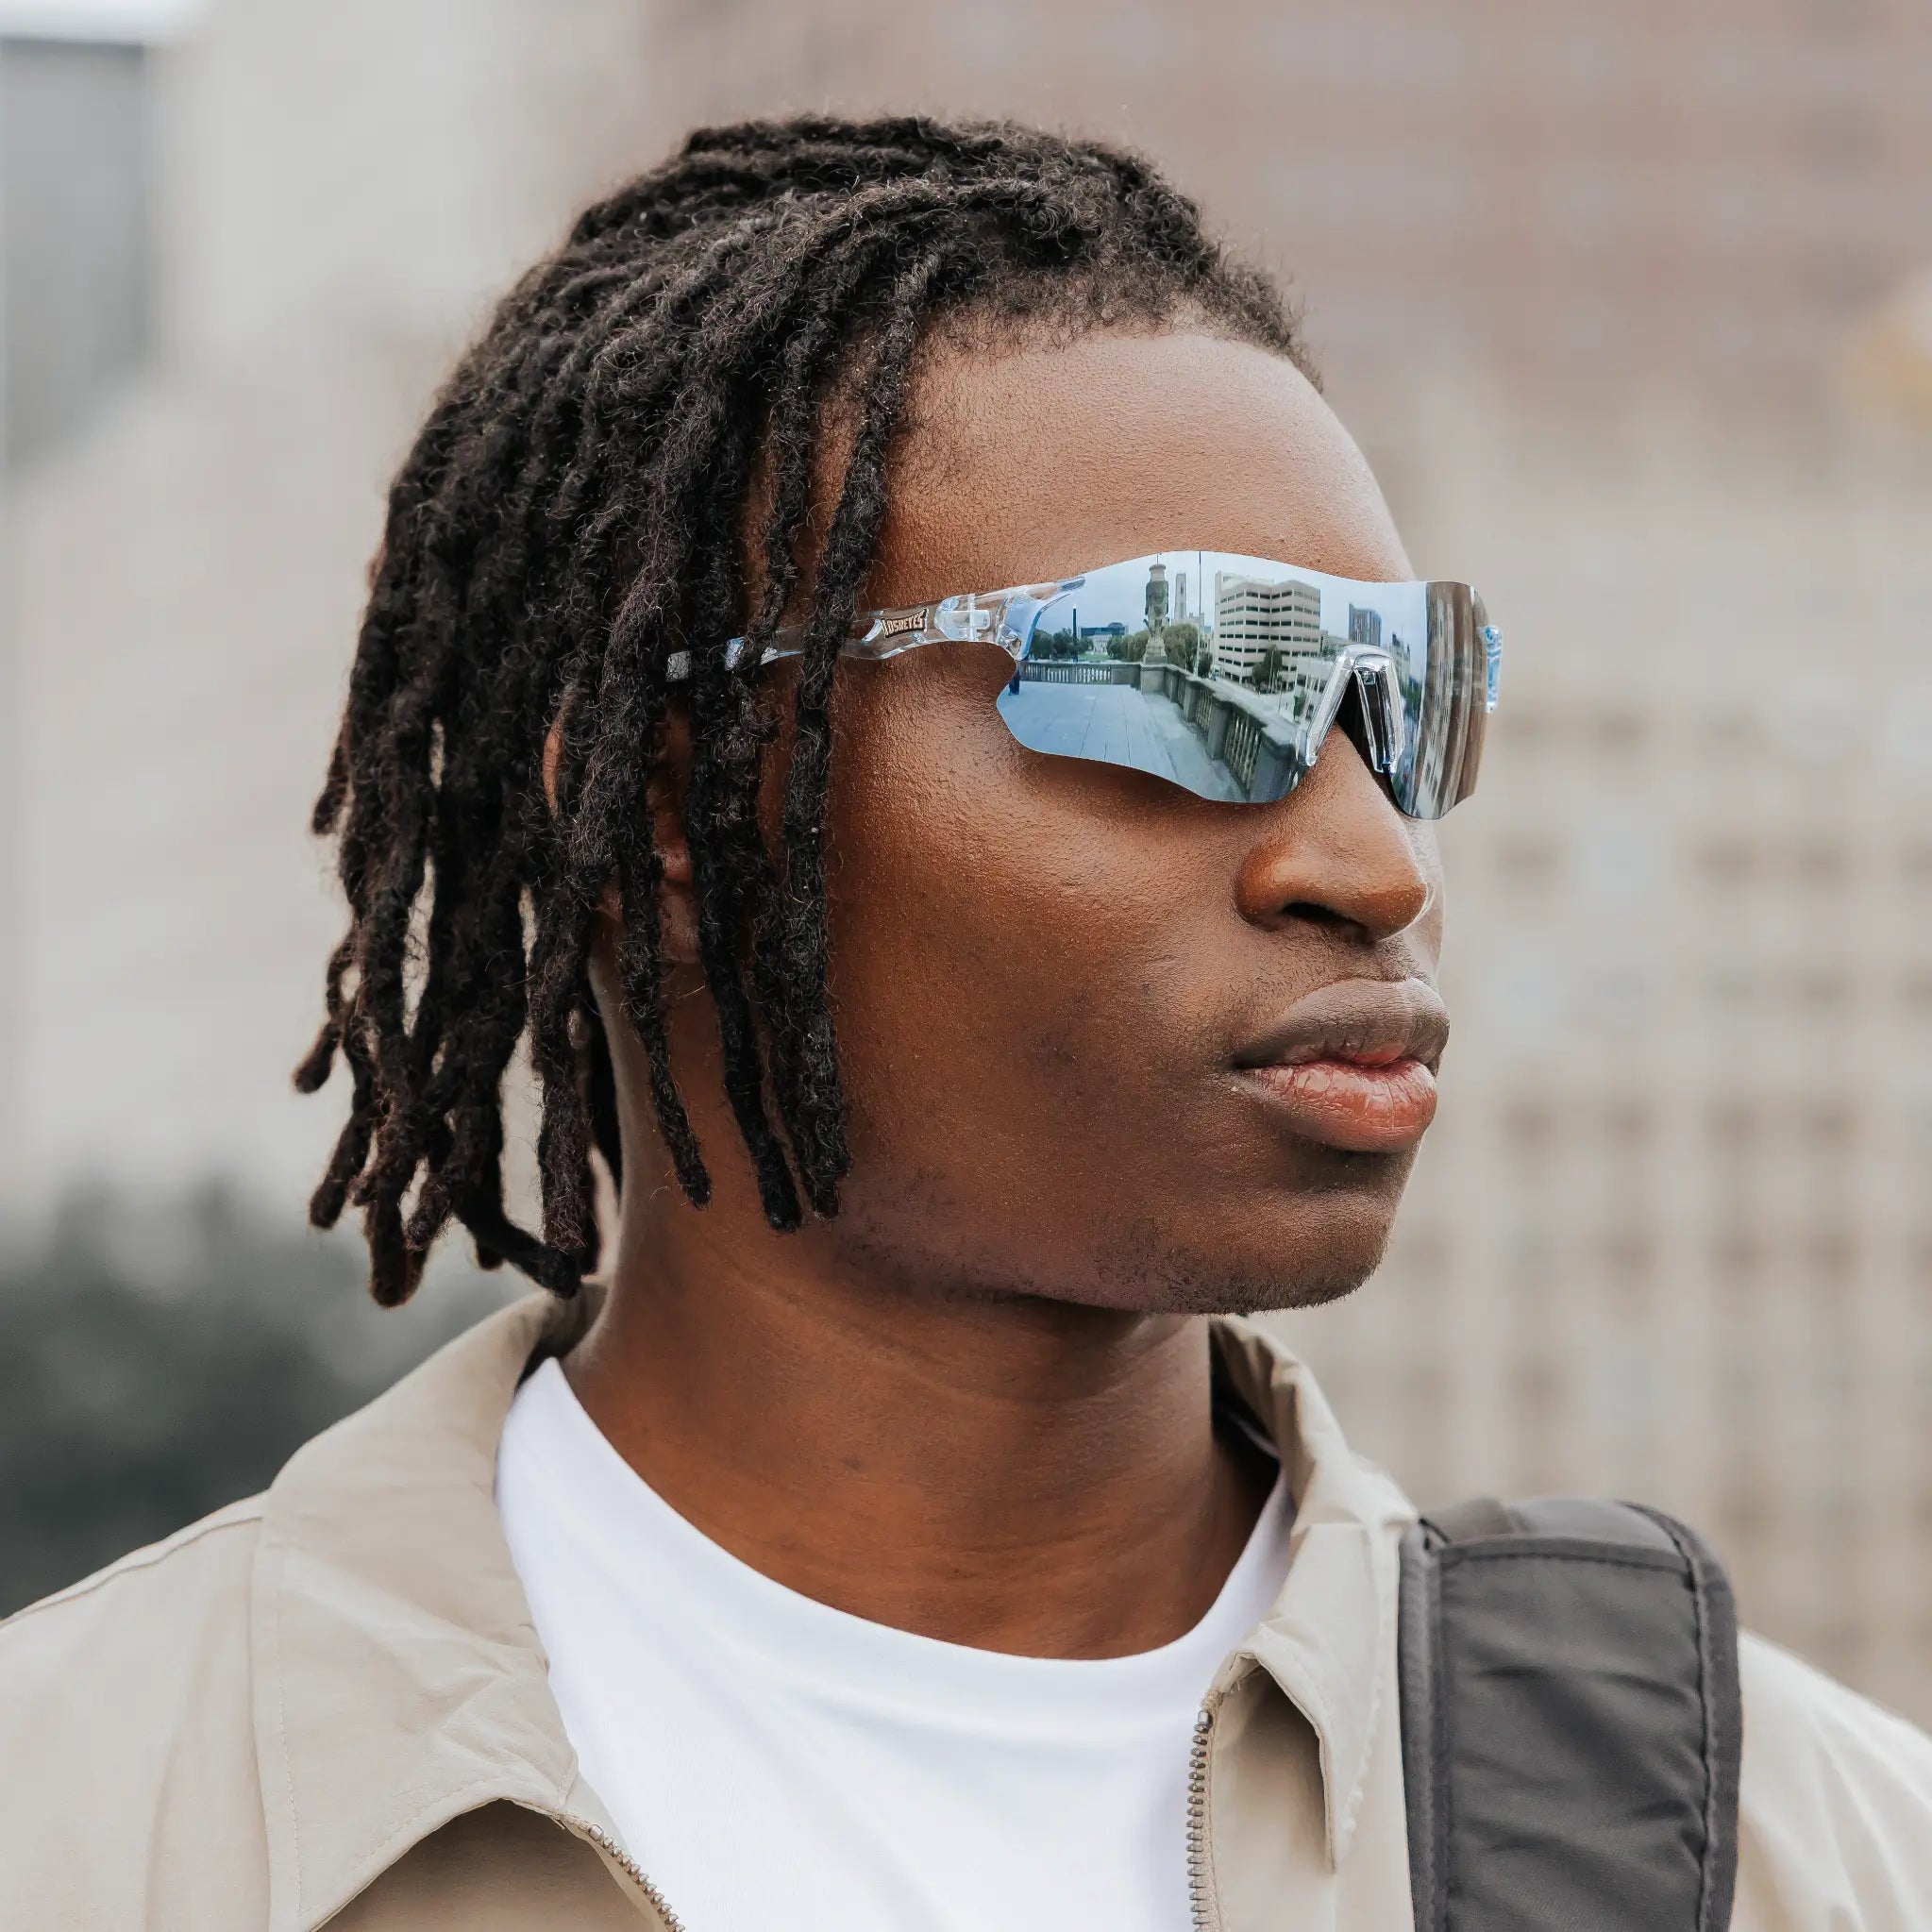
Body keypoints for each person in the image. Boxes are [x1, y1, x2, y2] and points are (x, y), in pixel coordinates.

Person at [3, 114, 1928, 1932]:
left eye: (1397, 694)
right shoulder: (93, 1819)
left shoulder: (1795, 1853)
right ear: (679, 806)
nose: (1371, 857)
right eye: (1188, 680)